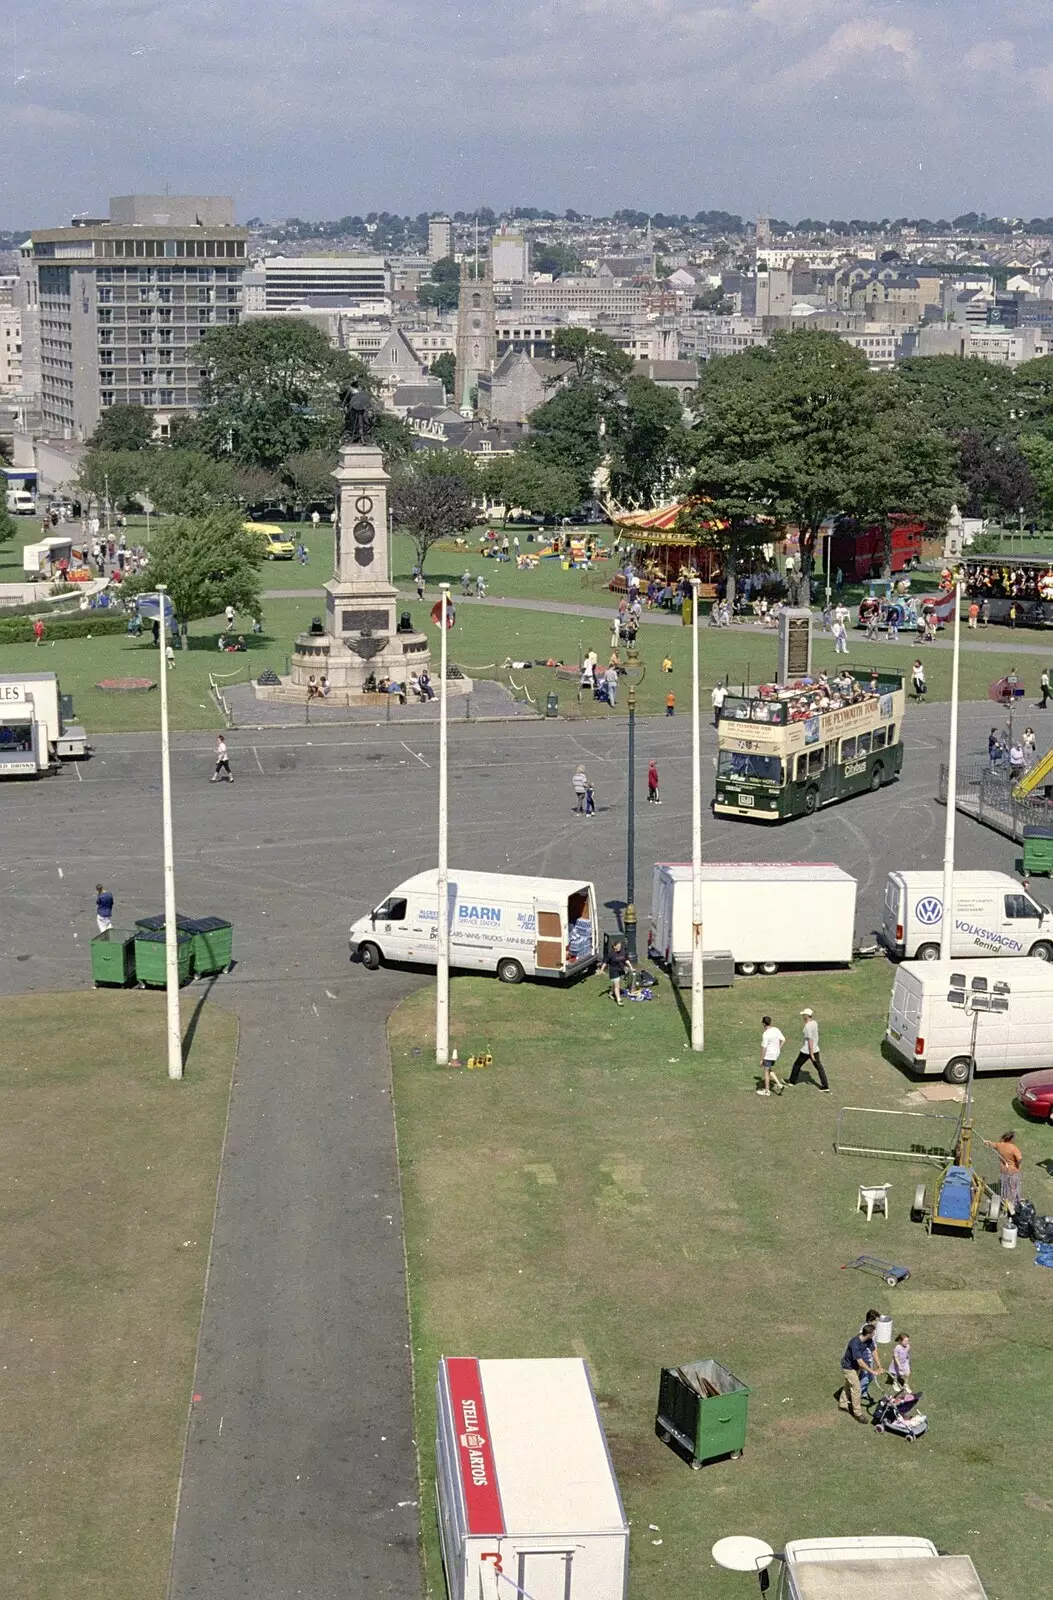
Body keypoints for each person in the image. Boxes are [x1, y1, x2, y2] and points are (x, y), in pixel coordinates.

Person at [838, 1322, 881, 1422]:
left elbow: (874, 1351)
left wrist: (879, 1365)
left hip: (856, 1367)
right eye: (873, 1333)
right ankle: (857, 1413)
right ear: (869, 1334)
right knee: (856, 1388)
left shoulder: (868, 1340)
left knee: (849, 1384)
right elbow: (860, 1362)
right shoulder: (855, 1343)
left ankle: (842, 1404)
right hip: (848, 1367)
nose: (874, 1334)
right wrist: (872, 1371)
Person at [786, 1007, 831, 1092]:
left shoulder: (807, 1027)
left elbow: (810, 1040)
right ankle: (825, 1086)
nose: (803, 1016)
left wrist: (811, 1054)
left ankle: (792, 1081)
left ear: (807, 1016)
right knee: (819, 1068)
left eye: (804, 1015)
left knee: (797, 1065)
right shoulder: (814, 1023)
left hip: (807, 1050)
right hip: (815, 1049)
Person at [983, 1130, 1023, 1213]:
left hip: (1004, 1170)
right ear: (1011, 1139)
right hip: (1013, 1170)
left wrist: (986, 1142)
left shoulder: (1000, 1145)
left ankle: (1005, 1200)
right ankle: (1013, 1203)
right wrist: (1017, 1164)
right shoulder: (1013, 1148)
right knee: (1013, 1187)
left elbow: (992, 1144)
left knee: (1005, 1186)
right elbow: (1019, 1159)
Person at [758, 1015, 786, 1097]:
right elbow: (783, 1040)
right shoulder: (776, 1030)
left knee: (766, 1071)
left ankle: (767, 1091)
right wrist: (778, 1048)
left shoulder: (765, 1034)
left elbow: (764, 1048)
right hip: (775, 1054)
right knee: (769, 1069)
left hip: (768, 1055)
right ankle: (779, 1084)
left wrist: (761, 1059)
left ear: (763, 1024)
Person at [603, 937, 632, 1006]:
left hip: (620, 971)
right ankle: (619, 1000)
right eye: (618, 946)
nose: (619, 947)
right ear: (614, 946)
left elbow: (626, 960)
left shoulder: (623, 952)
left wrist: (631, 967)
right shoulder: (611, 954)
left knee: (615, 985)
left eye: (620, 946)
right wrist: (602, 970)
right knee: (617, 986)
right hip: (613, 972)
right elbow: (605, 962)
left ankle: (610, 994)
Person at [887, 1333, 912, 1398]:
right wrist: (899, 1365)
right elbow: (895, 1357)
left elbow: (907, 1353)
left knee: (907, 1374)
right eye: (905, 1341)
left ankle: (905, 1385)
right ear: (900, 1341)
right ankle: (895, 1383)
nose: (907, 1342)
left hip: (905, 1362)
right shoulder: (897, 1348)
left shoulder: (908, 1346)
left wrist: (907, 1360)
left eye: (908, 1341)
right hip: (897, 1364)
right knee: (896, 1374)